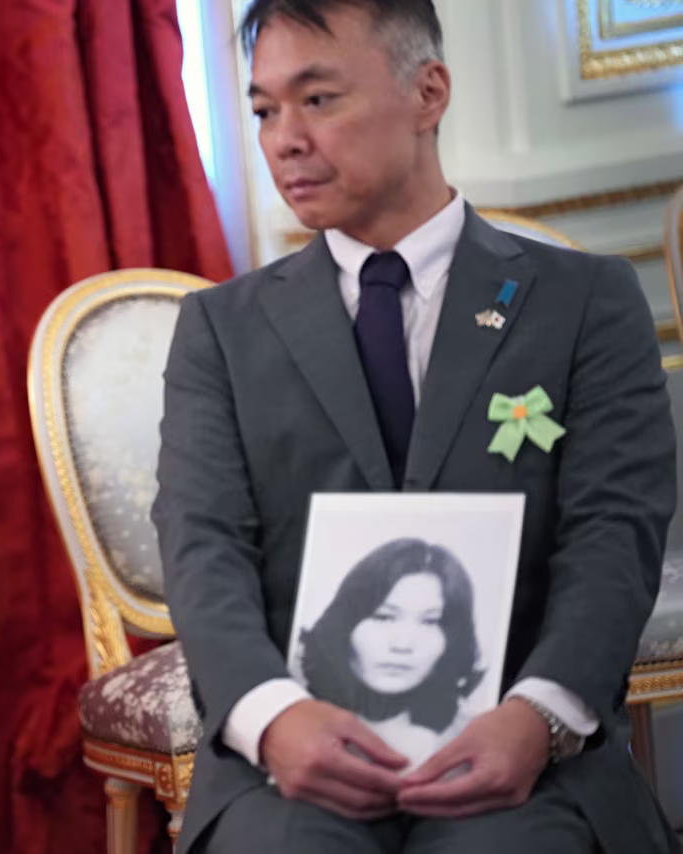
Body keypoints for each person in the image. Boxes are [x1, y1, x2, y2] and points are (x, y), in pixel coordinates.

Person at [151, 1, 678, 852]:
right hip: (288, 765)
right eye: (264, 110)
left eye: (317, 99)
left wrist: (538, 716)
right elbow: (202, 546)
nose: (285, 139)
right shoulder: (221, 331)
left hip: (525, 754)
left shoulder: (586, 303)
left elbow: (613, 535)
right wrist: (274, 718)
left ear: (428, 92)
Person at [297, 539, 483, 769]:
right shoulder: (292, 714)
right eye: (383, 617)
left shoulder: (472, 735)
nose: (403, 644)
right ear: (344, 622)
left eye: (430, 621)